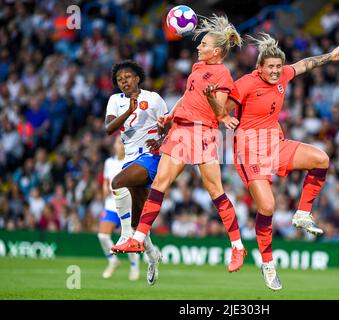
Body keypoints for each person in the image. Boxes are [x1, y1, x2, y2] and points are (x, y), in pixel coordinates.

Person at [205, 33, 339, 290]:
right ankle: (268, 263)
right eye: (269, 67)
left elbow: (306, 64)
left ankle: (302, 214)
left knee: (321, 159)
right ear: (259, 67)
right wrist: (219, 115)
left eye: (277, 66)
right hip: (250, 152)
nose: (274, 71)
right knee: (268, 207)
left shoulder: (283, 75)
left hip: (276, 143)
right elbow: (221, 108)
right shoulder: (246, 84)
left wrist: (330, 55)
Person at [112, 15, 247, 273]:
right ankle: (137, 239)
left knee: (216, 192)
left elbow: (219, 113)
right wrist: (171, 114)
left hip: (204, 133)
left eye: (204, 45)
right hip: (181, 131)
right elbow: (187, 95)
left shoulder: (223, 74)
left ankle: (238, 246)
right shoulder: (197, 69)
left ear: (216, 51)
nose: (198, 47)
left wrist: (212, 100)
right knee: (159, 184)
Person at [104, 60, 169, 285]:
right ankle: (153, 257)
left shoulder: (153, 99)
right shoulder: (115, 101)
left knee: (117, 183)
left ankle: (124, 235)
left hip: (151, 157)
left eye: (128, 77)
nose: (124, 82)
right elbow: (109, 129)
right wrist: (129, 112)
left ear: (137, 78)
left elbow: (169, 126)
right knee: (139, 223)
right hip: (131, 160)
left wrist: (160, 140)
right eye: (120, 80)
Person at [97, 135, 140, 281]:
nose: (121, 146)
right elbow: (106, 181)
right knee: (102, 235)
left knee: (129, 239)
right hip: (110, 204)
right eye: (118, 143)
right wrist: (104, 190)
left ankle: (134, 268)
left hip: (127, 205)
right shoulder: (109, 162)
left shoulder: (131, 161)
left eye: (123, 143)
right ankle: (113, 261)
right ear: (114, 146)